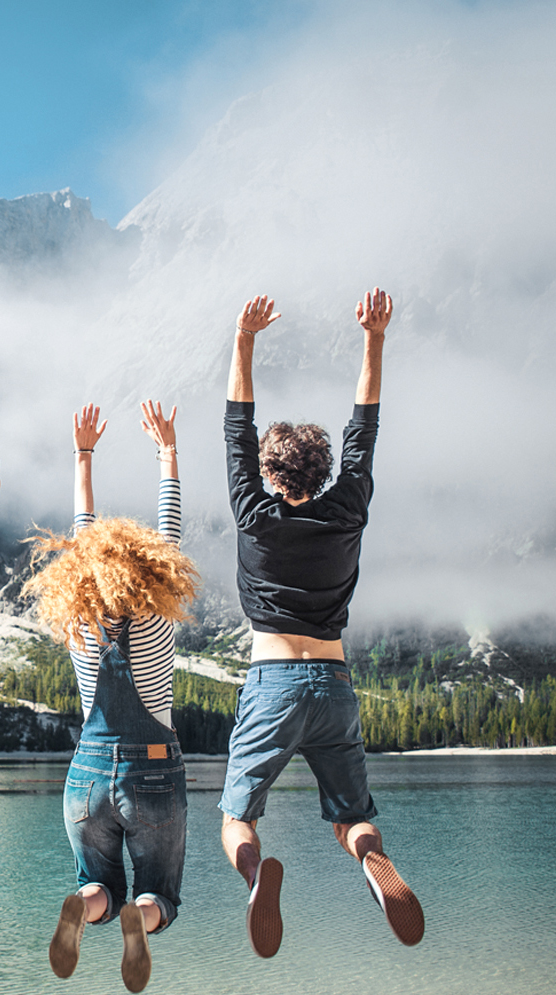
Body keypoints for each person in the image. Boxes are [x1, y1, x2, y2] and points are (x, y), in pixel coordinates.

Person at [220, 289, 423, 957]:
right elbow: (365, 427)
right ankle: (371, 861)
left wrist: (244, 338)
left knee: (237, 817)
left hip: (273, 680)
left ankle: (256, 880)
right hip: (333, 684)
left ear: (267, 472)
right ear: (326, 470)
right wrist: (373, 337)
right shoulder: (349, 508)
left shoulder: (253, 510)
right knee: (354, 818)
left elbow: (235, 424)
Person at [24, 401, 198, 994]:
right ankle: (140, 917)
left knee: (96, 878)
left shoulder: (77, 622)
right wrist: (167, 451)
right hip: (154, 773)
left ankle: (86, 903)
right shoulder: (157, 617)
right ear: (154, 568)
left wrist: (83, 454)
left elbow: (81, 535)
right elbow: (170, 525)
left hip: (86, 776)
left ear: (85, 573)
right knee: (160, 892)